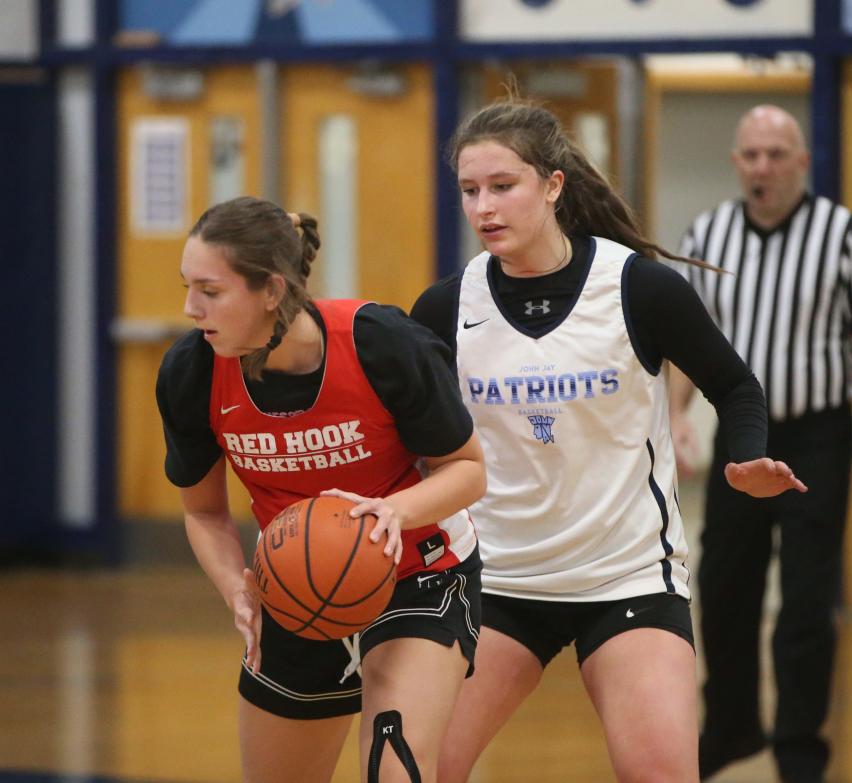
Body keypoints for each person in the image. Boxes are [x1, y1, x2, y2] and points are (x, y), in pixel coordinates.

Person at [410, 96, 806, 783]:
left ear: (553, 185)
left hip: (624, 575)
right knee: (419, 766)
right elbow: (414, 441)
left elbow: (736, 386)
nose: (484, 208)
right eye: (470, 191)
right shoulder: (445, 307)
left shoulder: (638, 288)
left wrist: (744, 455)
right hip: (497, 579)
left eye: (503, 186)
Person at [155, 196, 486, 783]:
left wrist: (392, 511)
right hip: (295, 588)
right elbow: (204, 513)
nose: (190, 308)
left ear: (272, 291)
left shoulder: (383, 344)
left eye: (210, 291)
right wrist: (237, 586)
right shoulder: (194, 372)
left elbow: (467, 470)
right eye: (188, 288)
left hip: (418, 571)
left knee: (395, 764)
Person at [669, 105, 852, 783]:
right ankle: (733, 724)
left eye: (776, 154)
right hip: (745, 435)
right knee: (723, 583)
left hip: (818, 433)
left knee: (805, 596)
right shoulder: (707, 234)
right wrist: (677, 415)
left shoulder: (843, 233)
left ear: (802, 162)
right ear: (737, 161)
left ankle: (800, 744)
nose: (762, 167)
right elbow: (689, 342)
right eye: (751, 154)